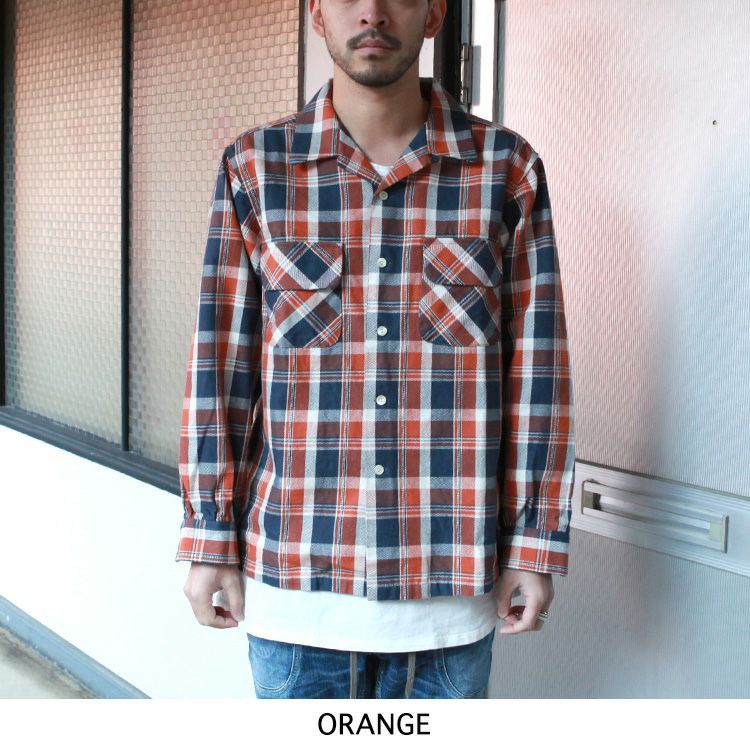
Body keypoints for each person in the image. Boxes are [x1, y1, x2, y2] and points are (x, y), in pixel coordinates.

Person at [176, 0, 575, 700]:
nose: (372, 11)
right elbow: (220, 367)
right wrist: (209, 534)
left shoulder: (506, 170)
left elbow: (537, 374)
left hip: (449, 607)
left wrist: (534, 541)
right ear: (317, 15)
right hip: (295, 601)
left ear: (434, 14)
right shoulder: (255, 169)